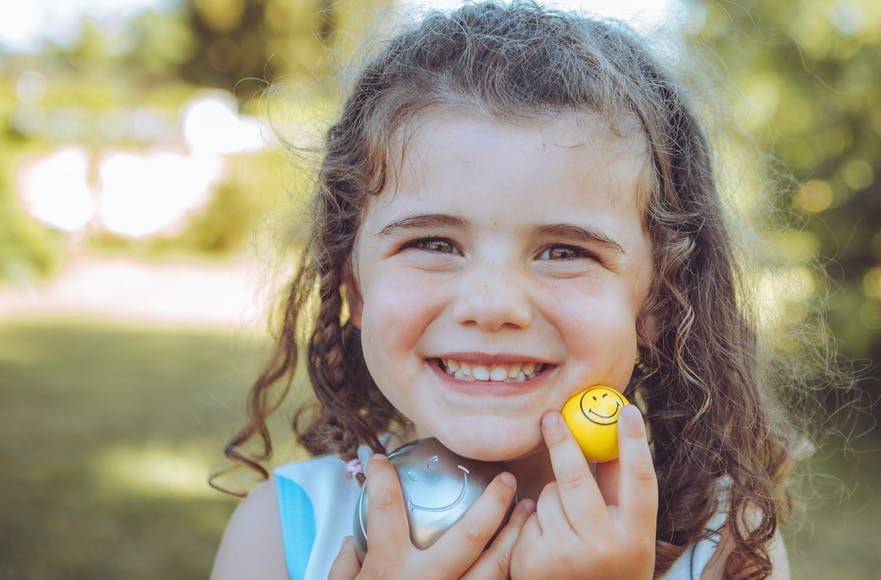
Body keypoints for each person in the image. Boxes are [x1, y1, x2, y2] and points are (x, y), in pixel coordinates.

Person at [210, 2, 796, 578]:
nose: (492, 306)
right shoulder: (283, 532)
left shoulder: (720, 542)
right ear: (354, 284)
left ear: (659, 301)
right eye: (434, 244)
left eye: (565, 252)